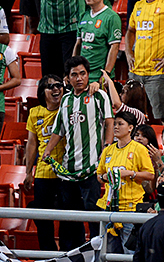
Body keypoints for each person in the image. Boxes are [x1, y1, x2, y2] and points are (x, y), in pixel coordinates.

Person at [41, 57, 113, 247]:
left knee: (92, 212)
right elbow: (59, 130)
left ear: (88, 75)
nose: (79, 78)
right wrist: (48, 150)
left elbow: (109, 122)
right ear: (68, 78)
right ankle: (72, 252)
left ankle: (98, 251)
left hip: (92, 167)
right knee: (70, 215)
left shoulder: (99, 96)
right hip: (69, 169)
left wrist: (106, 148)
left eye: (83, 74)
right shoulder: (65, 100)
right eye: (74, 75)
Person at [97, 111, 155, 252]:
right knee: (107, 252)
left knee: (130, 252)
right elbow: (99, 175)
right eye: (115, 124)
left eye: (120, 124)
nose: (116, 127)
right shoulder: (108, 150)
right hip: (109, 208)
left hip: (130, 208)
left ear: (130, 128)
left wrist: (130, 173)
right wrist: (105, 177)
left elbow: (150, 175)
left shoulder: (139, 149)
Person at [24, 75, 65, 251]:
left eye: (58, 85)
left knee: (67, 218)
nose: (56, 89)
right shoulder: (35, 113)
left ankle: (67, 254)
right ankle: (48, 254)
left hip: (66, 173)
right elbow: (32, 144)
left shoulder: (68, 108)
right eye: (50, 87)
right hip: (43, 172)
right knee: (42, 217)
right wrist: (28, 173)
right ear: (42, 92)